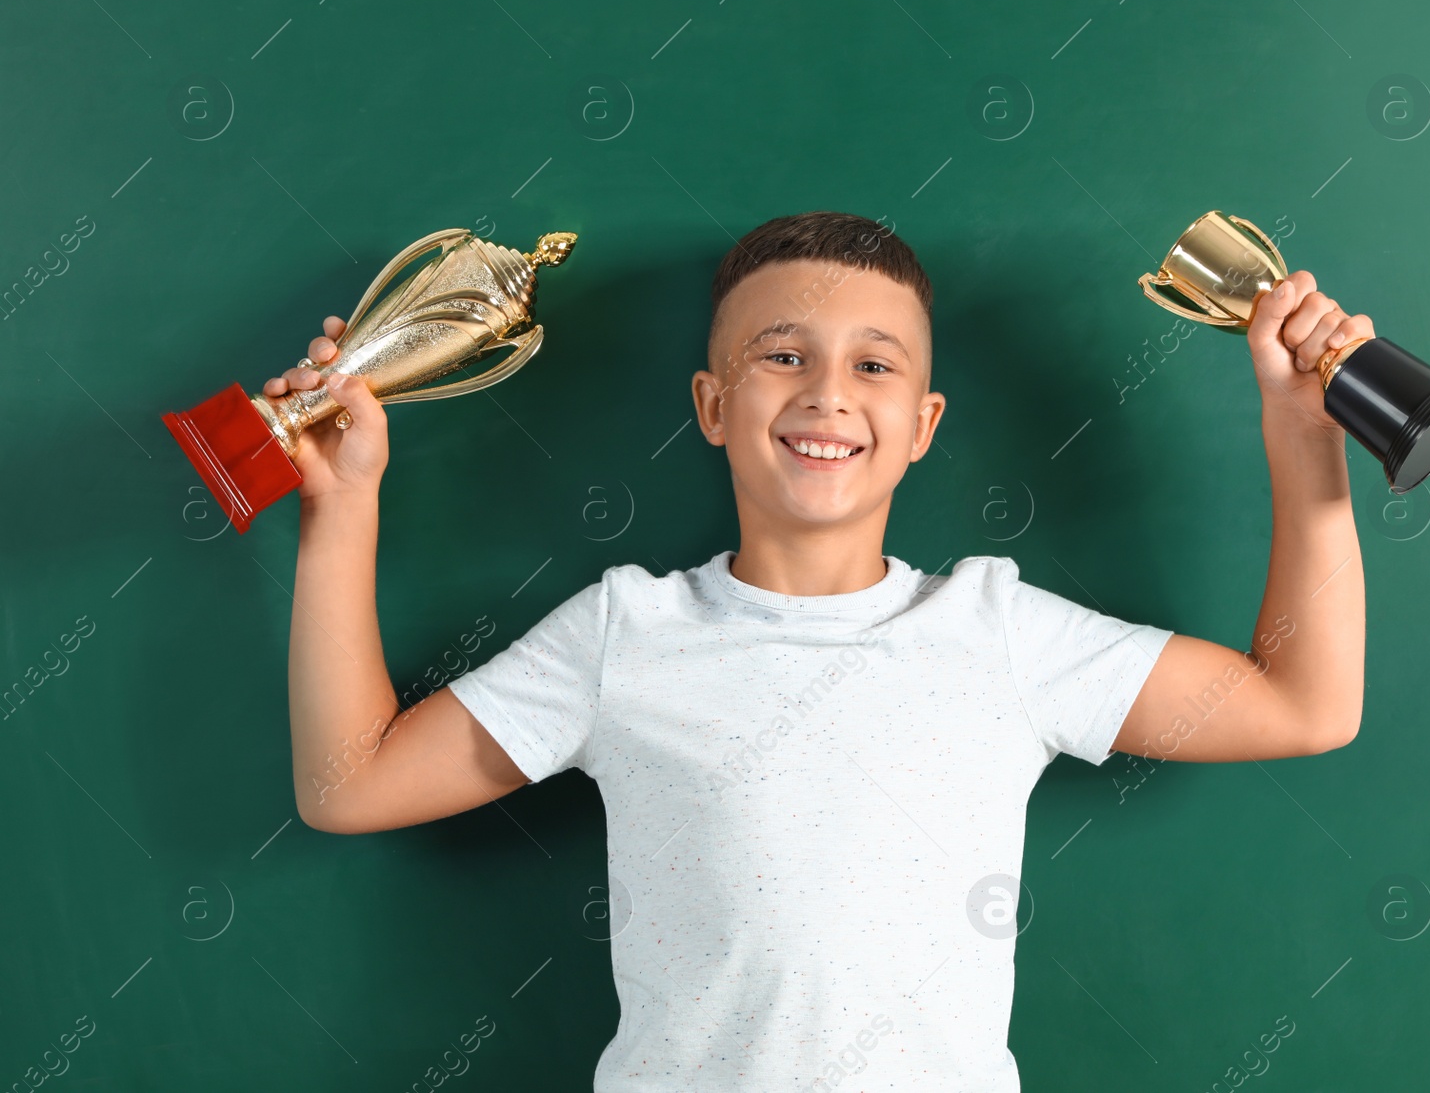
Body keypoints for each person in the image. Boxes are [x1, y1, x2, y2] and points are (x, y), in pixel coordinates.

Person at [277, 211, 1368, 1092]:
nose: (827, 393)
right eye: (781, 355)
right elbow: (350, 782)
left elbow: (1304, 704)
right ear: (711, 404)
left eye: (874, 365)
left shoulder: (997, 632)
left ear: (926, 423)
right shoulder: (625, 634)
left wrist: (1304, 433)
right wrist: (343, 508)